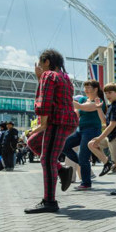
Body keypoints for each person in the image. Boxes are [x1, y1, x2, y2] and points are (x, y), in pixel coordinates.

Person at [25, 49, 78, 213]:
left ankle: (50, 201)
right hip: (66, 121)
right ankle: (62, 170)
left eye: (41, 62)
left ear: (47, 61)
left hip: (56, 121)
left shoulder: (49, 76)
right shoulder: (65, 78)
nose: (39, 66)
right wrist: (39, 78)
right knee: (33, 142)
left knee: (47, 159)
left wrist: (42, 124)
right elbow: (54, 95)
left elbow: (45, 101)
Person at [63, 80, 106, 191]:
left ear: (95, 89)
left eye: (88, 87)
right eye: (85, 87)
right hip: (80, 130)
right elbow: (76, 112)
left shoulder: (99, 101)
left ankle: (86, 183)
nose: (86, 89)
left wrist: (67, 97)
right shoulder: (82, 99)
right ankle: (83, 164)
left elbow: (84, 107)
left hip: (92, 131)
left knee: (83, 157)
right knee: (64, 146)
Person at [88, 83, 116, 195]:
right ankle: (107, 163)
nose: (107, 95)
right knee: (91, 144)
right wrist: (98, 108)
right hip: (111, 137)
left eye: (110, 92)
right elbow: (105, 122)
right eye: (106, 93)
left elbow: (111, 125)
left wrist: (99, 138)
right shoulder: (111, 106)